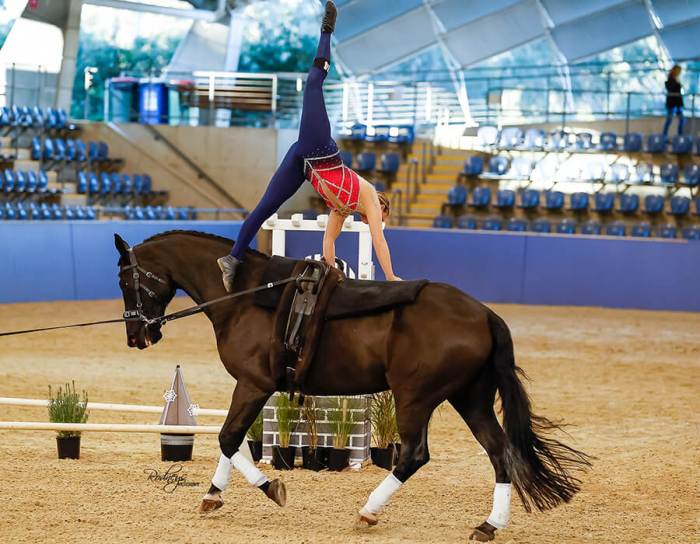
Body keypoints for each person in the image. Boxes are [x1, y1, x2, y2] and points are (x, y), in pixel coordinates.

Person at [217, 1, 400, 290]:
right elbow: (379, 239)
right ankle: (327, 30)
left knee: (266, 208)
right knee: (314, 84)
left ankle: (231, 260)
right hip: (320, 149)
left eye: (372, 220)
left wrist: (331, 271)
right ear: (381, 206)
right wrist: (390, 277)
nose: (371, 221)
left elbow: (328, 240)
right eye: (378, 217)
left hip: (302, 163)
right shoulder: (369, 198)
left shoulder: (343, 210)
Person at [663, 65, 684, 137]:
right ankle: (664, 137)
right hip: (672, 104)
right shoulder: (671, 80)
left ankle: (680, 136)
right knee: (669, 120)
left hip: (677, 104)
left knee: (682, 120)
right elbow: (671, 89)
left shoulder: (676, 80)